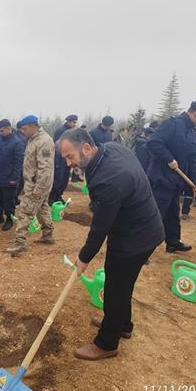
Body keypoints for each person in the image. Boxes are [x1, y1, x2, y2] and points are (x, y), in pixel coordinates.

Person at [58, 128, 164, 360]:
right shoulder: (111, 149)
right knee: (121, 283)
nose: (67, 163)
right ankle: (122, 324)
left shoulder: (109, 179)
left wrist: (84, 257)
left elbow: (99, 229)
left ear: (86, 148)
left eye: (70, 156)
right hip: (140, 226)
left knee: (116, 289)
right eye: (65, 158)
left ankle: (107, 343)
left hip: (135, 237)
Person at [146, 99, 196, 253]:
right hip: (162, 178)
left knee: (172, 214)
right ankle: (142, 248)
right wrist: (169, 158)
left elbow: (193, 160)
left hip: (177, 181)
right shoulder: (173, 124)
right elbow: (154, 143)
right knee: (155, 215)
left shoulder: (193, 133)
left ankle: (173, 242)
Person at [6, 115, 55, 255]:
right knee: (43, 209)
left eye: (25, 129)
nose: (23, 131)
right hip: (34, 183)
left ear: (33, 126)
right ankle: (48, 235)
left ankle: (20, 243)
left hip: (37, 185)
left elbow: (45, 168)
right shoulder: (34, 139)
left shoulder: (44, 141)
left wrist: (38, 188)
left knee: (25, 211)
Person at [0, 119, 25, 231]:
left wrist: (15, 179)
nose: (0, 133)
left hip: (9, 178)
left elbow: (18, 163)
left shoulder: (17, 143)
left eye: (2, 130)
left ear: (9, 129)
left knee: (9, 201)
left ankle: (9, 219)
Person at [49, 114, 77, 204]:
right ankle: (51, 198)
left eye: (75, 122)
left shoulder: (71, 131)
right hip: (59, 159)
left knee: (64, 180)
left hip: (67, 159)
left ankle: (58, 196)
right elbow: (57, 146)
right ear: (68, 121)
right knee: (58, 179)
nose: (75, 124)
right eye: (73, 122)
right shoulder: (60, 131)